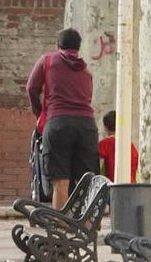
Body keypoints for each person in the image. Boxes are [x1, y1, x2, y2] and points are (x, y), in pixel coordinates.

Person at [26, 28, 99, 209]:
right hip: (87, 125)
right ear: (79, 47)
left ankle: (60, 226)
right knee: (86, 180)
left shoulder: (48, 60)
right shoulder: (87, 70)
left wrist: (39, 112)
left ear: (58, 45)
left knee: (60, 181)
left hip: (58, 122)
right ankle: (86, 225)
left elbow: (31, 88)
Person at [97, 110, 140, 182]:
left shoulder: (105, 143)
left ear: (106, 127)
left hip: (114, 185)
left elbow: (94, 159)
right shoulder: (130, 144)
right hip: (132, 185)